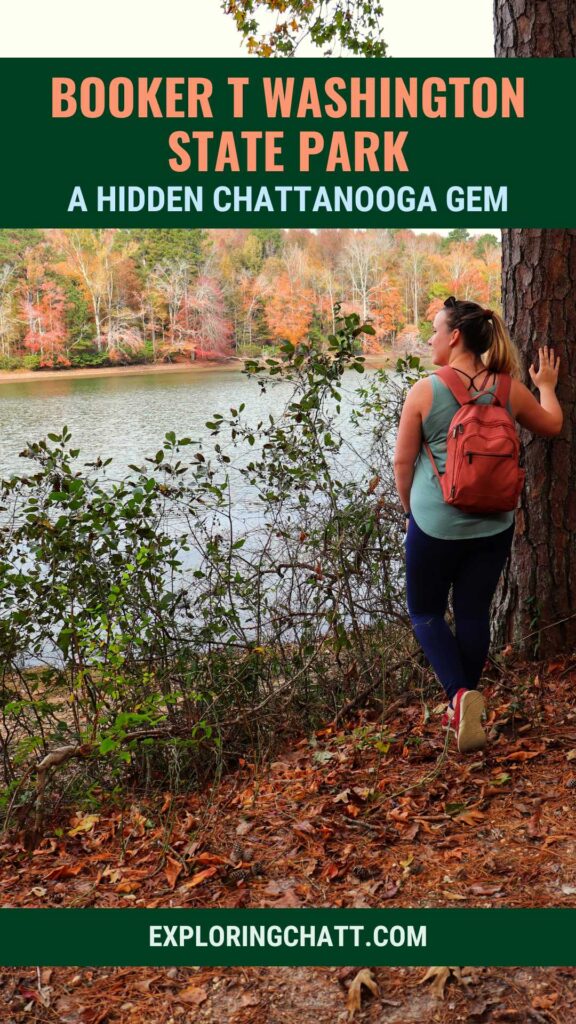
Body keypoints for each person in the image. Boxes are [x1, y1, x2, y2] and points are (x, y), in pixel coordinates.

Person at [393, 296, 562, 754]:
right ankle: (465, 704)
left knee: (425, 612)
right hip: (494, 526)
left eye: (434, 330)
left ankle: (460, 696)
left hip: (435, 525)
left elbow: (402, 461)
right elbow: (551, 425)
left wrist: (412, 512)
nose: (429, 338)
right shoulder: (509, 389)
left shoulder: (425, 390)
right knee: (472, 613)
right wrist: (546, 385)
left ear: (454, 337)